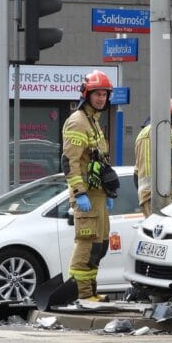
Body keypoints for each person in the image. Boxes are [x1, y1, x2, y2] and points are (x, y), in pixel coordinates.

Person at [62, 70, 119, 303]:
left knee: (100, 246)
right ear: (86, 94)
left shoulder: (94, 121)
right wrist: (79, 193)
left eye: (105, 94)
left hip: (98, 195)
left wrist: (108, 192)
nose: (101, 98)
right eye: (97, 94)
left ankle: (91, 291)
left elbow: (99, 161)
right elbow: (70, 162)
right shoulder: (78, 122)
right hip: (86, 195)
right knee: (86, 246)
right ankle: (81, 293)